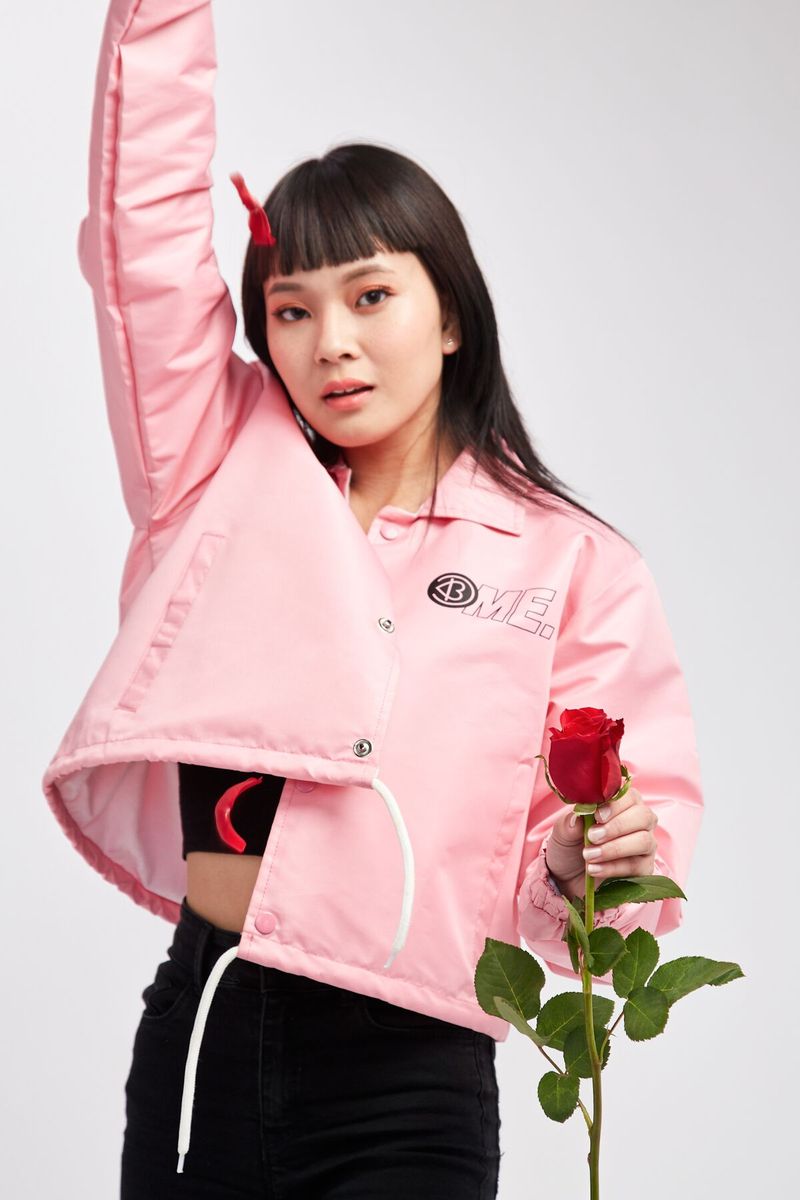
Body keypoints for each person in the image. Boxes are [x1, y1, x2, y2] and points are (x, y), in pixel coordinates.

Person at [42, 1, 704, 1196]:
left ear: (448, 313)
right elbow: (142, 234)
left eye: (369, 297)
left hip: (412, 1073)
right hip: (210, 1029)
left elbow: (603, 880)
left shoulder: (573, 566)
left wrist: (587, 860)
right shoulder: (213, 470)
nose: (329, 343)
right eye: (290, 310)